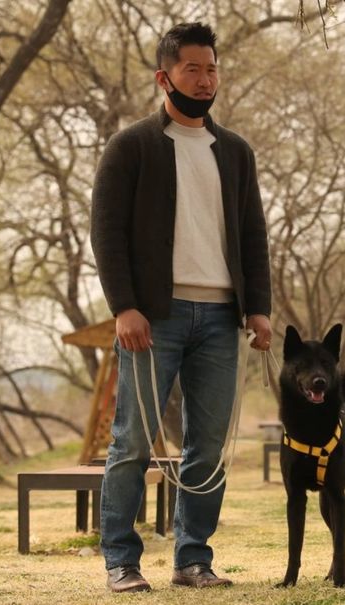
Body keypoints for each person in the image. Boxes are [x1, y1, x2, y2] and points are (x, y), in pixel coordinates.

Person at [90, 22, 272, 593]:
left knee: (208, 448)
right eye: (192, 68)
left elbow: (252, 235)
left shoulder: (235, 152)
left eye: (211, 68)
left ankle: (193, 559)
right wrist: (124, 306)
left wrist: (259, 309)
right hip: (154, 319)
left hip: (221, 319)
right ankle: (122, 560)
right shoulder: (132, 146)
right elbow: (107, 231)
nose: (204, 78)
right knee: (131, 443)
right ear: (164, 76)